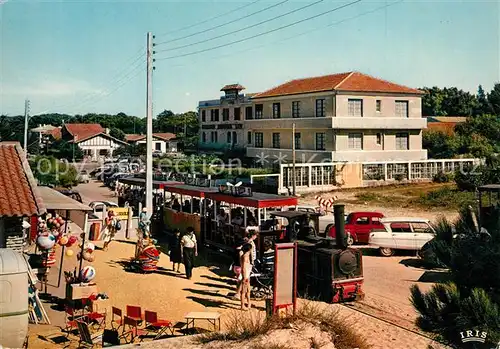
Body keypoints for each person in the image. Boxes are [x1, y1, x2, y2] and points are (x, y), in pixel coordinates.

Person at [239, 243, 252, 310]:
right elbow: (244, 267)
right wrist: (245, 277)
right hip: (245, 276)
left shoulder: (246, 255)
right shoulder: (245, 256)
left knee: (248, 290)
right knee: (243, 291)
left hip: (247, 275)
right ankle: (242, 305)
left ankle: (249, 303)